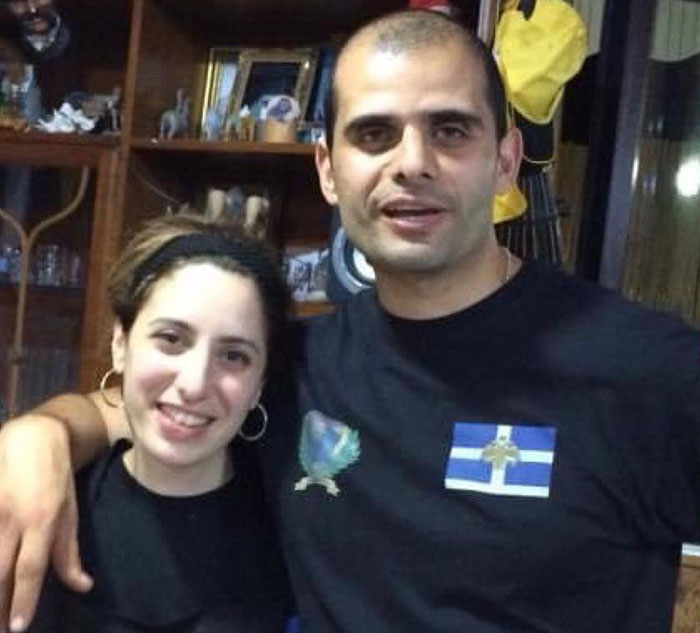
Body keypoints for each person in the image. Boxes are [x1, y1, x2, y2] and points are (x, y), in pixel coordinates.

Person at [1, 8, 699, 633]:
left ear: (505, 162)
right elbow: (138, 404)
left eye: (450, 130)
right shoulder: (293, 367)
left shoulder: (647, 370)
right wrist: (39, 434)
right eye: (374, 133)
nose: (412, 163)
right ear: (329, 170)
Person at [23, 213, 293, 632]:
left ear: (260, 383)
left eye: (234, 356)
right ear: (120, 343)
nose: (194, 384)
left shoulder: (292, 532)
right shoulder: (43, 503)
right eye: (171, 339)